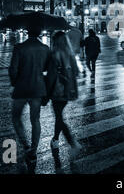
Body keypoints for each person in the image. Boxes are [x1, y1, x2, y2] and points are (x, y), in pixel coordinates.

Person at [8, 24, 50, 172]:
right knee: (35, 120)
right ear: (39, 33)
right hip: (38, 88)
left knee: (16, 117)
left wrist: (15, 82)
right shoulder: (45, 48)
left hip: (21, 87)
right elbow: (46, 68)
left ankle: (25, 144)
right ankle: (33, 150)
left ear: (27, 32)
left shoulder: (19, 47)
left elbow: (13, 68)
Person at [46, 31, 82, 161]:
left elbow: (51, 76)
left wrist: (47, 92)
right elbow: (77, 72)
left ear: (55, 41)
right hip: (69, 90)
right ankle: (55, 139)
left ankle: (72, 143)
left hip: (57, 90)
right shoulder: (70, 53)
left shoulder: (54, 53)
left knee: (59, 117)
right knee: (59, 115)